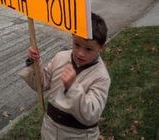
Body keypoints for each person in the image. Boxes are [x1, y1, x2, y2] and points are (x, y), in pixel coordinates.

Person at [19, 12, 111, 140]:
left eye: (89, 49)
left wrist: (73, 88)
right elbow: (41, 84)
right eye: (77, 44)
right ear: (72, 36)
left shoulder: (101, 76)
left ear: (101, 48)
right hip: (50, 130)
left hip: (79, 136)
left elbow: (91, 115)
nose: (80, 54)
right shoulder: (60, 57)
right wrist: (33, 63)